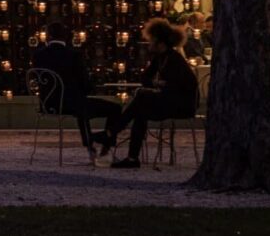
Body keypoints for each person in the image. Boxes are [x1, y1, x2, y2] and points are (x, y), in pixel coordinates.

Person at [95, 17, 200, 169]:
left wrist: (155, 87)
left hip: (183, 105)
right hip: (169, 100)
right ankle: (131, 157)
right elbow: (146, 78)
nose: (149, 44)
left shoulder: (174, 60)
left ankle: (111, 133)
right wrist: (156, 85)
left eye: (152, 41)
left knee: (142, 98)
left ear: (161, 43)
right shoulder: (160, 58)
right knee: (140, 110)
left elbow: (175, 87)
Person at [29, 20, 119, 156]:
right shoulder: (73, 55)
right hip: (72, 105)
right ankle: (103, 141)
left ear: (47, 36)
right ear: (66, 37)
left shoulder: (38, 56)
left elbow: (37, 80)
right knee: (115, 108)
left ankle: (90, 142)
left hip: (48, 104)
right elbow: (85, 84)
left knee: (80, 104)